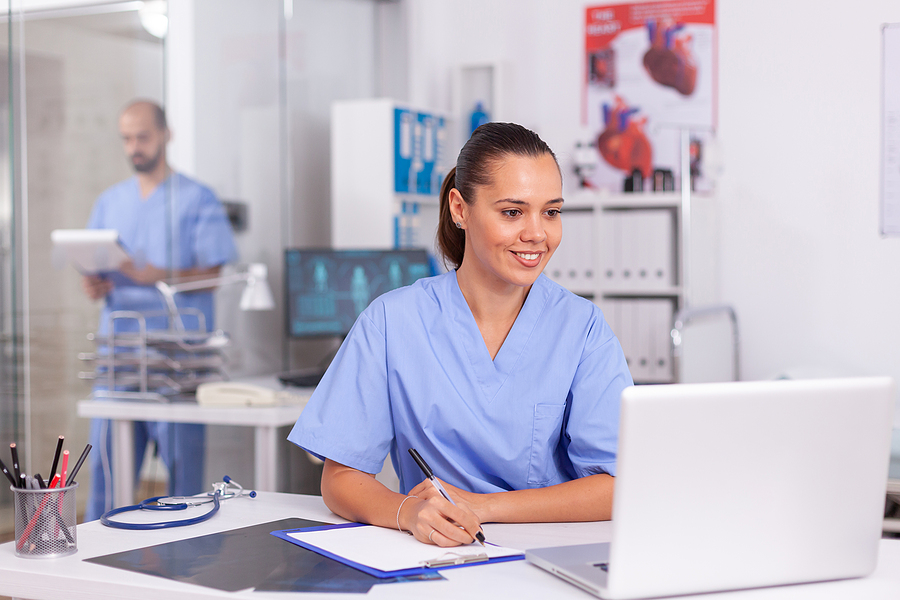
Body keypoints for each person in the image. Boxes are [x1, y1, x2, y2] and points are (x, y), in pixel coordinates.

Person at [288, 122, 631, 547]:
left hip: (550, 554)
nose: (537, 234)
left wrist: (482, 506)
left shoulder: (582, 328)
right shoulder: (392, 322)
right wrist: (406, 511)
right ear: (459, 209)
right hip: (436, 551)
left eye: (552, 212)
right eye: (512, 212)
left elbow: (619, 485)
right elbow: (340, 478)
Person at [82, 100, 237, 521]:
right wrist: (94, 282)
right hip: (120, 357)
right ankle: (100, 572)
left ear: (166, 135)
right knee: (106, 471)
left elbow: (214, 275)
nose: (134, 146)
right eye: (127, 138)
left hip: (177, 359)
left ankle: (179, 569)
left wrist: (158, 274)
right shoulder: (109, 202)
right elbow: (96, 262)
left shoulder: (196, 198)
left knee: (182, 477)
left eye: (143, 136)